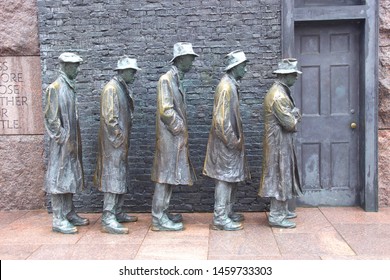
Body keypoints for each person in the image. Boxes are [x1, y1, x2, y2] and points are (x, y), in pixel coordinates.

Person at [150, 42, 198, 231]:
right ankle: (158, 218)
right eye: (190, 58)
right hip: (169, 139)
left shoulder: (177, 80)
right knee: (164, 177)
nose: (192, 62)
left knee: (169, 177)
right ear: (180, 60)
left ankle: (164, 212)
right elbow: (166, 110)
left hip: (174, 139)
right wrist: (180, 128)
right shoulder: (166, 80)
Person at [203, 50, 251, 231]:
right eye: (243, 66)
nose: (246, 70)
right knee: (223, 179)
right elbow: (221, 120)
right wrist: (233, 141)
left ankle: (228, 212)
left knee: (230, 178)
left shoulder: (231, 84)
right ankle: (220, 217)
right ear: (235, 67)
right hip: (225, 144)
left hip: (230, 143)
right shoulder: (226, 87)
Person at [93, 56, 141, 234]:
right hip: (114, 144)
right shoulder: (111, 89)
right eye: (132, 71)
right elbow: (109, 118)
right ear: (122, 72)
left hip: (119, 144)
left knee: (120, 176)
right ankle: (108, 217)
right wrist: (119, 137)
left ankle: (118, 211)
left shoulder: (121, 87)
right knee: (112, 178)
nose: (134, 75)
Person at [44, 52, 89, 234]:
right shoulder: (55, 87)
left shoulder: (69, 87)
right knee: (58, 178)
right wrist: (62, 137)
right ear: (64, 66)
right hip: (61, 144)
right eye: (74, 66)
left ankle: (69, 212)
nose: (77, 69)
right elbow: (50, 117)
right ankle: (58, 218)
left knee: (69, 176)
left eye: (77, 65)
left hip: (71, 142)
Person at [258, 58, 304, 229]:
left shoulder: (281, 91)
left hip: (281, 142)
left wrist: (293, 114)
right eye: (294, 75)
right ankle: (277, 215)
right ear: (286, 76)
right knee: (279, 176)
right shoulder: (278, 96)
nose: (296, 78)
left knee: (283, 176)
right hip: (278, 145)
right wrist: (296, 114)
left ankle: (283, 210)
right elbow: (290, 123)